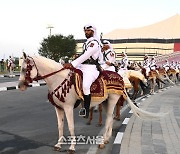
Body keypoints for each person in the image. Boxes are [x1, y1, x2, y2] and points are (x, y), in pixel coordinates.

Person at [63, 24, 102, 118]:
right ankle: (74, 99)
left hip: (91, 69)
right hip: (82, 66)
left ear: (93, 32)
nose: (86, 32)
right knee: (70, 78)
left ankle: (86, 109)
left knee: (85, 86)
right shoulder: (86, 43)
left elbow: (87, 55)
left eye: (88, 31)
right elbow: (83, 55)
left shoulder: (95, 43)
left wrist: (72, 64)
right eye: (85, 31)